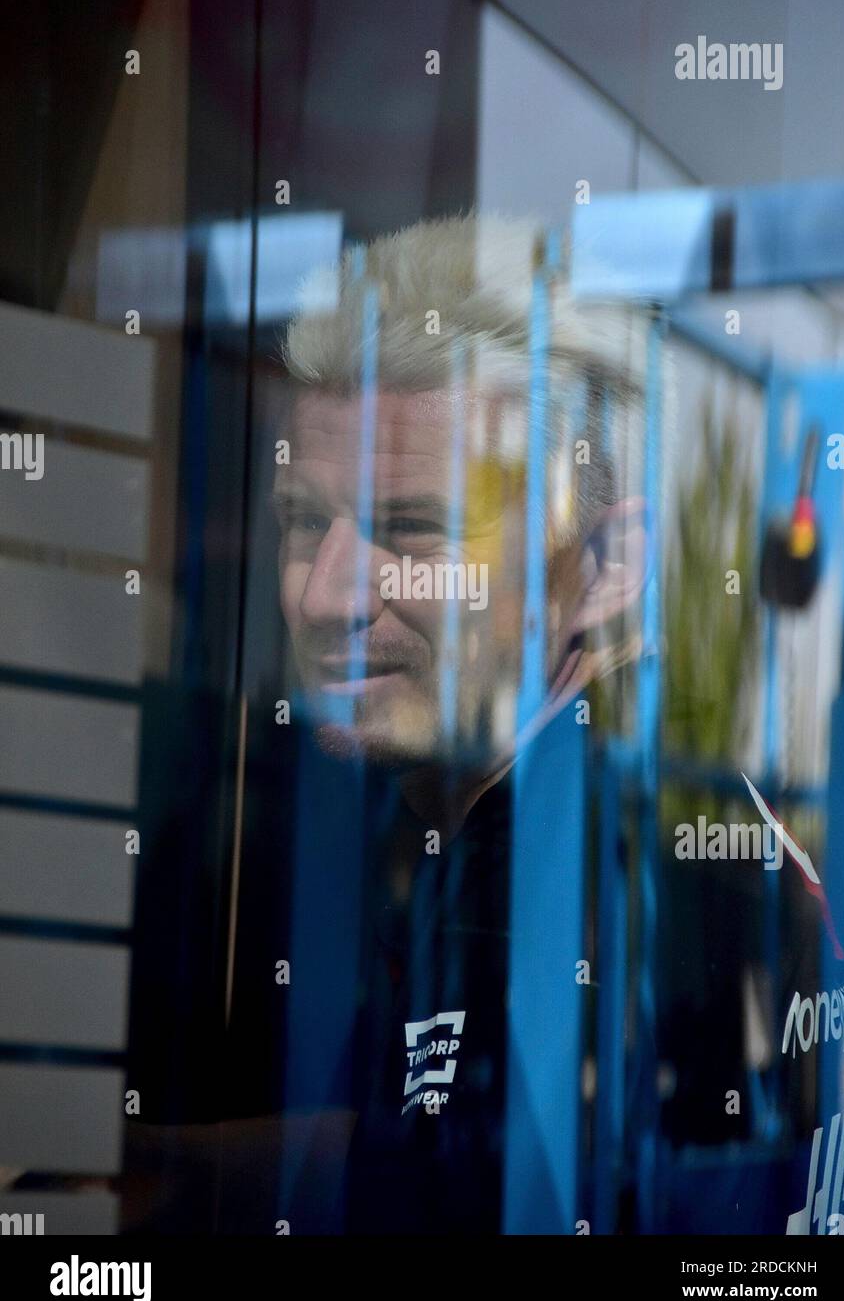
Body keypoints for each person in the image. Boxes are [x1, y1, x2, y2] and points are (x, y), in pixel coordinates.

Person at [261, 214, 649, 1233]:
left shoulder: (577, 896)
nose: (328, 596)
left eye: (414, 528)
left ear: (601, 570)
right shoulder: (467, 833)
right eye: (307, 520)